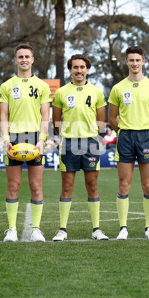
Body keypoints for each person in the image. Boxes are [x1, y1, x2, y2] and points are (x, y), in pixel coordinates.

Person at [51, 54, 109, 241]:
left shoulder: (97, 92)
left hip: (91, 142)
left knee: (92, 185)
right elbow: (56, 122)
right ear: (70, 70)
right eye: (75, 67)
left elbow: (101, 120)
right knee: (67, 186)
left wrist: (94, 136)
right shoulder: (61, 92)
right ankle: (62, 229)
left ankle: (97, 229)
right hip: (69, 142)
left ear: (87, 69)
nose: (79, 70)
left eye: (82, 67)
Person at [107, 46, 149, 240]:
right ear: (126, 62)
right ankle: (123, 227)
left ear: (143, 62)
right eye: (131, 60)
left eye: (138, 60)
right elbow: (112, 119)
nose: (134, 63)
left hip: (146, 136)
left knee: (148, 185)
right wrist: (125, 131)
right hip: (125, 138)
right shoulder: (118, 88)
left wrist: (145, 131)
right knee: (124, 184)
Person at [0, 43, 52, 242]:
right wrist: (5, 140)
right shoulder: (6, 86)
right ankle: (11, 229)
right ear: (15, 60)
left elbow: (45, 116)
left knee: (36, 185)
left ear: (32, 59)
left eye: (27, 56)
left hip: (34, 138)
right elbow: (3, 116)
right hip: (14, 139)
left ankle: (36, 229)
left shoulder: (42, 86)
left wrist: (41, 141)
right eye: (20, 57)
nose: (24, 60)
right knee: (13, 185)